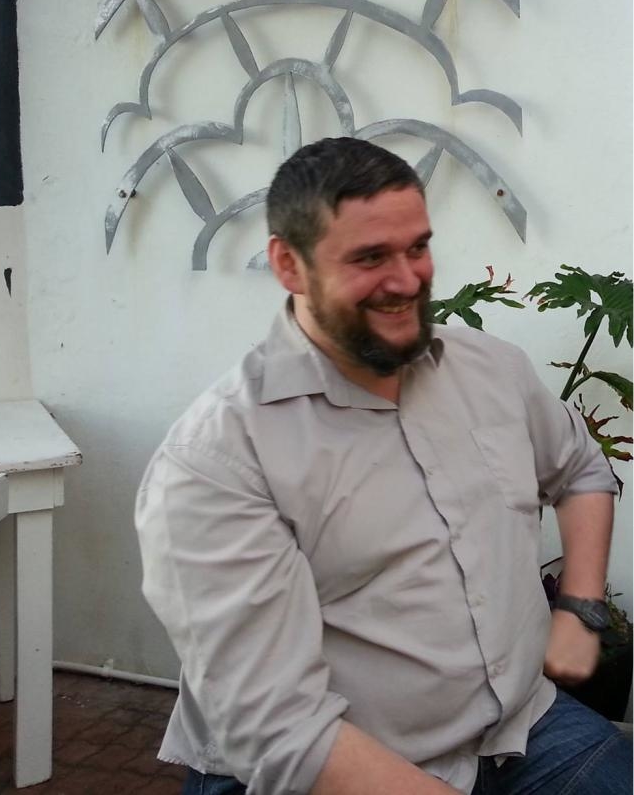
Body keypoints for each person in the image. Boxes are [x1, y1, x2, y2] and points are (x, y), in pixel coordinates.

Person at [136, 137, 631, 795]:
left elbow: (580, 471)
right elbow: (280, 731)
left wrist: (579, 607)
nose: (406, 280)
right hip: (331, 767)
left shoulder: (491, 370)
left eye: (417, 248)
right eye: (370, 257)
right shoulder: (217, 459)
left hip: (518, 729)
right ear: (288, 263)